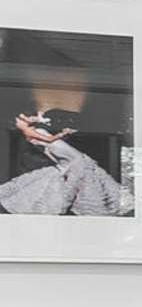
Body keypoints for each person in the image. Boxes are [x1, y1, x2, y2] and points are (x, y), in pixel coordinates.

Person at [0, 44, 128, 219]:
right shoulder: (34, 133)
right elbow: (48, 138)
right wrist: (61, 133)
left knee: (79, 168)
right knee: (78, 167)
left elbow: (38, 122)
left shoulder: (33, 125)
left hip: (59, 149)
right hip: (58, 149)